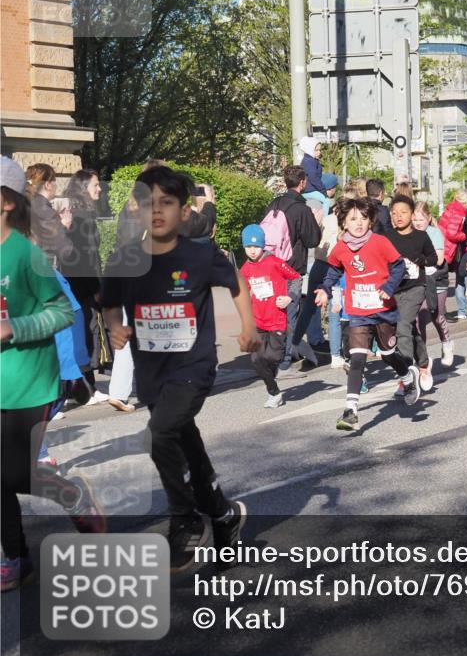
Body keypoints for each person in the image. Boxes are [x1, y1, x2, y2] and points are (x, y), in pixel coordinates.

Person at [101, 165, 257, 573]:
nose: (157, 212)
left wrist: (249, 327)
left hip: (194, 364)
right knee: (185, 444)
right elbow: (109, 301)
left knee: (160, 434)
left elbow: (237, 285)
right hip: (152, 371)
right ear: (136, 209)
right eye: (148, 204)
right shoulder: (125, 258)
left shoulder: (201, 253)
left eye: (166, 203)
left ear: (183, 211)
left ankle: (184, 518)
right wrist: (115, 326)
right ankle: (223, 517)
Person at [1, 157, 105, 592]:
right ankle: (16, 557)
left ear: (5, 201)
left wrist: (16, 328)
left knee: (10, 474)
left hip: (29, 378)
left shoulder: (26, 254)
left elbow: (63, 311)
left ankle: (73, 496)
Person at [315, 197, 422, 432]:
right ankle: (351, 411)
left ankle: (407, 377)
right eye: (353, 219)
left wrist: (388, 287)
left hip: (384, 310)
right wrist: (324, 289)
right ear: (343, 222)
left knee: (387, 355)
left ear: (371, 221)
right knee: (357, 360)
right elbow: (333, 269)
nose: (359, 223)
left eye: (363, 218)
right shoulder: (341, 247)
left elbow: (399, 266)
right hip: (358, 312)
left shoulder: (379, 242)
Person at [264, 165, 322, 375]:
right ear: (303, 182)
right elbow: (313, 239)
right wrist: (315, 222)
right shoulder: (302, 209)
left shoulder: (274, 204)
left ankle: (270, 353)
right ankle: (284, 359)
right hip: (291, 268)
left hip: (269, 266)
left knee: (270, 311)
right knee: (289, 314)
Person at [240, 224, 299, 409]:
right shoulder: (246, 269)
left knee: (273, 358)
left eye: (256, 247)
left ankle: (274, 377)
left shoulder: (274, 262)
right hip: (258, 321)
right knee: (256, 360)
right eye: (249, 247)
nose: (253, 251)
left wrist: (289, 297)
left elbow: (296, 278)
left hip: (277, 321)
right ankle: (273, 393)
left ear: (263, 245)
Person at [384, 195, 438, 395]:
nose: (398, 216)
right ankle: (424, 363)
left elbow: (434, 259)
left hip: (416, 287)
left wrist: (420, 259)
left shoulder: (421, 236)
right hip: (393, 289)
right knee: (409, 329)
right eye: (394, 213)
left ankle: (406, 376)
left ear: (412, 214)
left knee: (403, 326)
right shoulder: (386, 237)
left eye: (403, 212)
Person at [62, 169, 106, 396]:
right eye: (95, 185)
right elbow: (87, 258)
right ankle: (87, 386)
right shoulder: (82, 216)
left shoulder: (78, 212)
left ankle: (83, 385)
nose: (99, 189)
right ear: (83, 188)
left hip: (75, 282)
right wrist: (96, 288)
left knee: (81, 334)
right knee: (86, 334)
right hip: (82, 284)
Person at [413, 202, 455, 368]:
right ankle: (422, 358)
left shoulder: (434, 233)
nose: (417, 222)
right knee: (419, 320)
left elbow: (439, 259)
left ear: (428, 218)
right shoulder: (409, 235)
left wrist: (417, 261)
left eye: (421, 219)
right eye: (414, 219)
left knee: (436, 316)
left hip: (436, 280)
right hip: (418, 282)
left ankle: (446, 342)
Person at [439, 190, 467, 319]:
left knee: (441, 280)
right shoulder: (459, 212)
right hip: (447, 248)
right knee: (442, 281)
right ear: (465, 202)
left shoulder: (453, 208)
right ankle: (441, 312)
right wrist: (464, 236)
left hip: (443, 245)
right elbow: (451, 234)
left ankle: (441, 310)